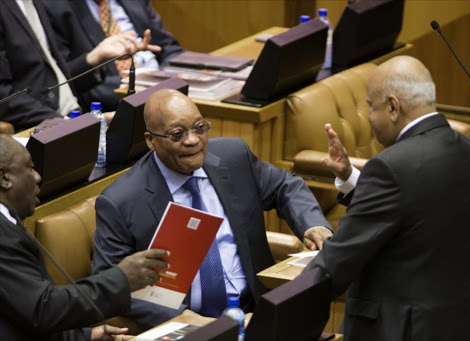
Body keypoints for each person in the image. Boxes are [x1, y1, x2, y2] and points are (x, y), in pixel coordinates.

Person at [92, 89, 333, 329]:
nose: (193, 140)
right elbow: (112, 287)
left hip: (257, 312)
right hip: (188, 326)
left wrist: (313, 224)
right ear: (151, 140)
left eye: (200, 128)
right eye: (177, 134)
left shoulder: (233, 157)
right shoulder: (121, 201)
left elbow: (284, 186)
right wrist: (191, 322)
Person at [303, 56, 470, 340]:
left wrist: (276, 311)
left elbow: (338, 261)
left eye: (371, 106)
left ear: (393, 107)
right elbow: (420, 212)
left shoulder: (390, 166)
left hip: (407, 330)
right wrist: (351, 176)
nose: (370, 117)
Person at [0, 134, 170, 340]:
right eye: (29, 167)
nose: (37, 177)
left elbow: (23, 314)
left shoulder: (10, 225)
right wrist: (122, 278)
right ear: (4, 178)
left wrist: (87, 337)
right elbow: (42, 309)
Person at [44, 0, 185, 112]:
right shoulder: (54, 8)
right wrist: (95, 57)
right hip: (114, 98)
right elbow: (62, 79)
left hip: (160, 83)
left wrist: (170, 80)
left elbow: (168, 47)